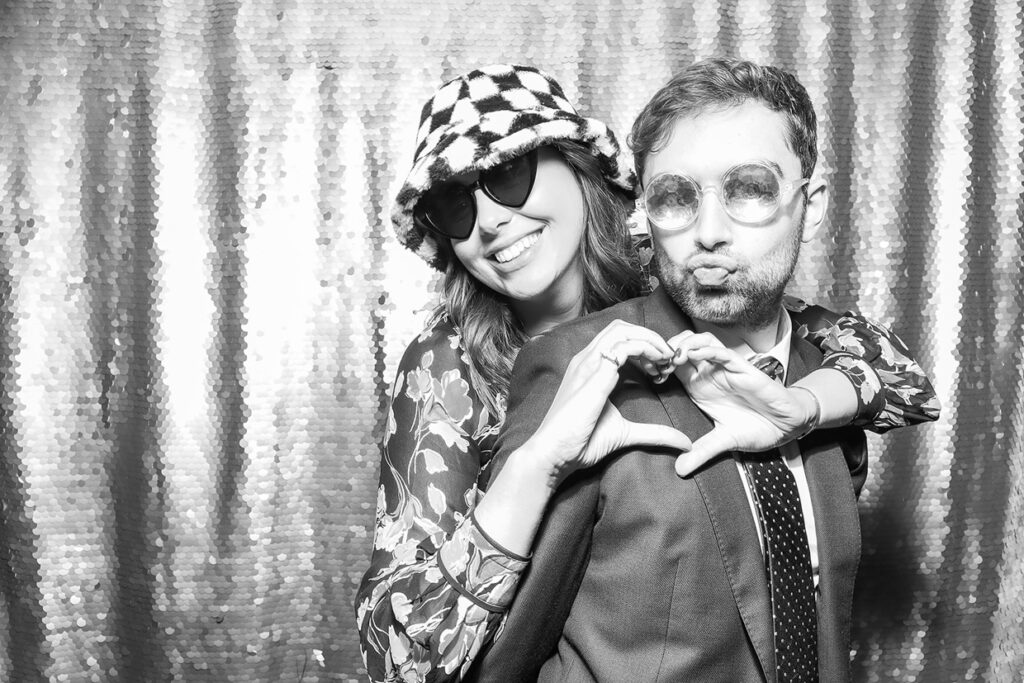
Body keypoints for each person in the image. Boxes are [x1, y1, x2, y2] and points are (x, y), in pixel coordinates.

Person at [355, 64, 939, 683]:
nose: (491, 221)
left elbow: (881, 364)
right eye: (454, 205)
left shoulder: (689, 277)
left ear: (582, 170)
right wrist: (536, 466)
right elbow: (403, 657)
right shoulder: (447, 361)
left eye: (507, 175)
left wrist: (807, 403)